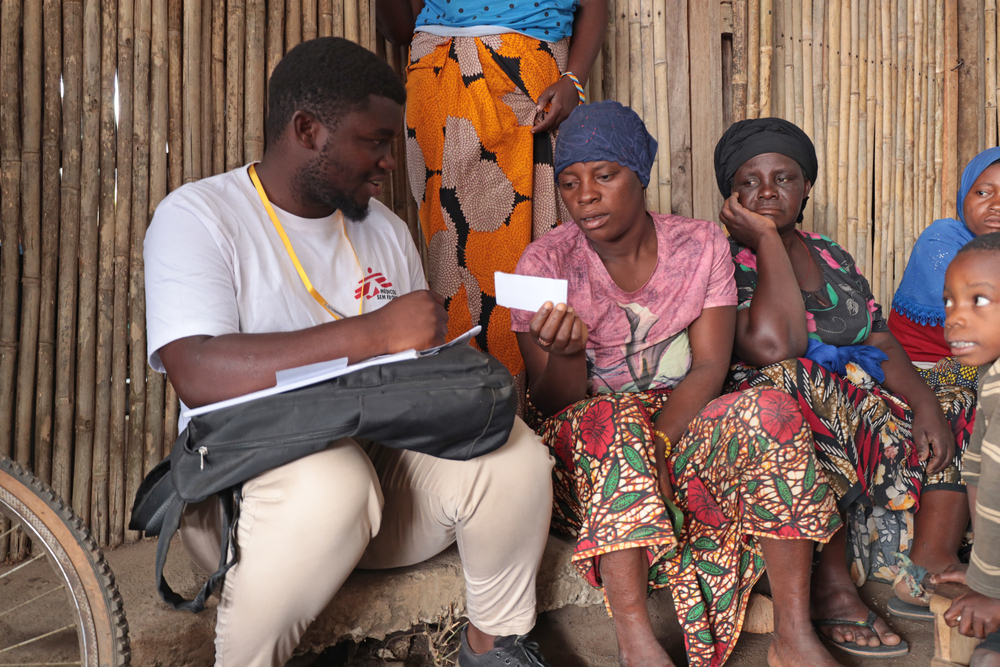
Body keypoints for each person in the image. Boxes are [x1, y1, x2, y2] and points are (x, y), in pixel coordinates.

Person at [143, 38, 555, 667]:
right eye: (374, 142)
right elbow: (197, 372)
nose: (389, 161)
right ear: (307, 130)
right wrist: (375, 333)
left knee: (514, 454)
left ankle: (494, 646)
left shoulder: (383, 230)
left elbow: (408, 383)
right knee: (334, 482)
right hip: (242, 486)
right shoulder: (200, 216)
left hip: (374, 484)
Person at [512, 101, 844, 667]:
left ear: (639, 175)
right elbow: (546, 404)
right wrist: (566, 355)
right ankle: (635, 643)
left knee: (769, 408)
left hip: (676, 422)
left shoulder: (699, 245)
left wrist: (660, 442)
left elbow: (710, 366)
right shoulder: (543, 262)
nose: (585, 195)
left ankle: (794, 635)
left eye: (604, 175)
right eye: (569, 182)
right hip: (586, 451)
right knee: (613, 420)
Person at [713, 117, 976, 655]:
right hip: (779, 409)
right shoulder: (721, 258)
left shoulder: (829, 252)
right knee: (795, 378)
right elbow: (775, 348)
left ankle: (928, 561)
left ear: (806, 185)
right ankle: (832, 583)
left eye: (783, 178)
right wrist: (766, 239)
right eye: (749, 181)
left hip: (858, 400)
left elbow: (878, 338)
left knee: (961, 380)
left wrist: (926, 404)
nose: (767, 191)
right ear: (731, 196)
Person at [377, 0, 606, 399]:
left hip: (530, 75)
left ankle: (544, 413)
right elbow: (397, 29)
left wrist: (574, 80)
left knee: (541, 252)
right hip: (440, 76)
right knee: (455, 260)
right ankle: (477, 410)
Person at [932, 232, 1000, 667]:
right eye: (949, 301)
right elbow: (976, 472)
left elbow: (996, 492)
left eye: (979, 300)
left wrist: (990, 589)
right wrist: (982, 569)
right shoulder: (990, 375)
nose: (955, 317)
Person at [888, 146, 1000, 392]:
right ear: (964, 196)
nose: (996, 205)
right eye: (983, 193)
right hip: (922, 372)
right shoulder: (941, 240)